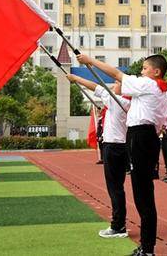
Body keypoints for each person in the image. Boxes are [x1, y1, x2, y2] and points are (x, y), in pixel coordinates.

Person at [76, 54, 167, 256]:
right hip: (146, 137)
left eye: (144, 68)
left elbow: (117, 73)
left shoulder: (148, 85)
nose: (141, 72)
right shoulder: (156, 92)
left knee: (143, 195)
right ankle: (146, 246)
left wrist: (90, 61)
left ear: (156, 72)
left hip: (140, 137)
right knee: (143, 194)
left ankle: (148, 249)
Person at [67, 74, 130, 237]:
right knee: (117, 188)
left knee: (115, 188)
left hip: (114, 147)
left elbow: (94, 86)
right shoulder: (126, 103)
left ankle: (118, 226)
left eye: (116, 83)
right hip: (119, 146)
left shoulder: (118, 101)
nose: (113, 85)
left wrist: (76, 78)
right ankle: (119, 223)